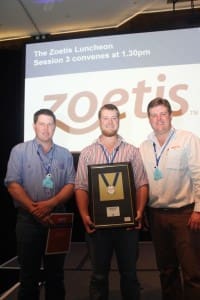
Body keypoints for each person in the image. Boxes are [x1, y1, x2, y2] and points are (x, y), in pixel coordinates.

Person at [75, 103, 148, 300]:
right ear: (99, 122)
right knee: (98, 277)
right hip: (97, 226)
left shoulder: (132, 151)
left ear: (119, 121)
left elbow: (142, 184)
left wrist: (139, 211)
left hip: (127, 225)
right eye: (106, 118)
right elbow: (81, 187)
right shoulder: (87, 152)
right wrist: (84, 215)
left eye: (114, 118)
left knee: (130, 275)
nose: (110, 122)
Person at [4, 109, 76, 300]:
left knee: (56, 276)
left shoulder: (65, 154)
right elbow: (12, 184)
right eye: (42, 124)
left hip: (57, 219)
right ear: (34, 125)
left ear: (55, 127)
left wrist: (50, 204)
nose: (46, 128)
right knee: (28, 277)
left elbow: (71, 184)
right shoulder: (19, 151)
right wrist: (35, 209)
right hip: (28, 221)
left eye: (50, 124)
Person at [140, 97, 200, 300]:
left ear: (171, 115)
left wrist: (199, 209)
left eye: (163, 114)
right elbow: (143, 183)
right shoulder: (144, 146)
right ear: (148, 119)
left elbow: (199, 175)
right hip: (156, 215)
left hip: (185, 214)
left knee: (192, 271)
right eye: (154, 115)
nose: (159, 119)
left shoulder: (187, 139)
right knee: (166, 270)